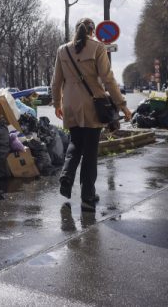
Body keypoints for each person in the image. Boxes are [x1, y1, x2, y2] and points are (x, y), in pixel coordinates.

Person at [51, 18, 132, 211]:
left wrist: (57, 104)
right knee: (90, 152)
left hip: (70, 104)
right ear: (92, 31)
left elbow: (56, 82)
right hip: (92, 105)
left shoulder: (63, 50)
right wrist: (122, 106)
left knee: (75, 142)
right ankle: (88, 195)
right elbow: (109, 80)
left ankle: (66, 175)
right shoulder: (98, 47)